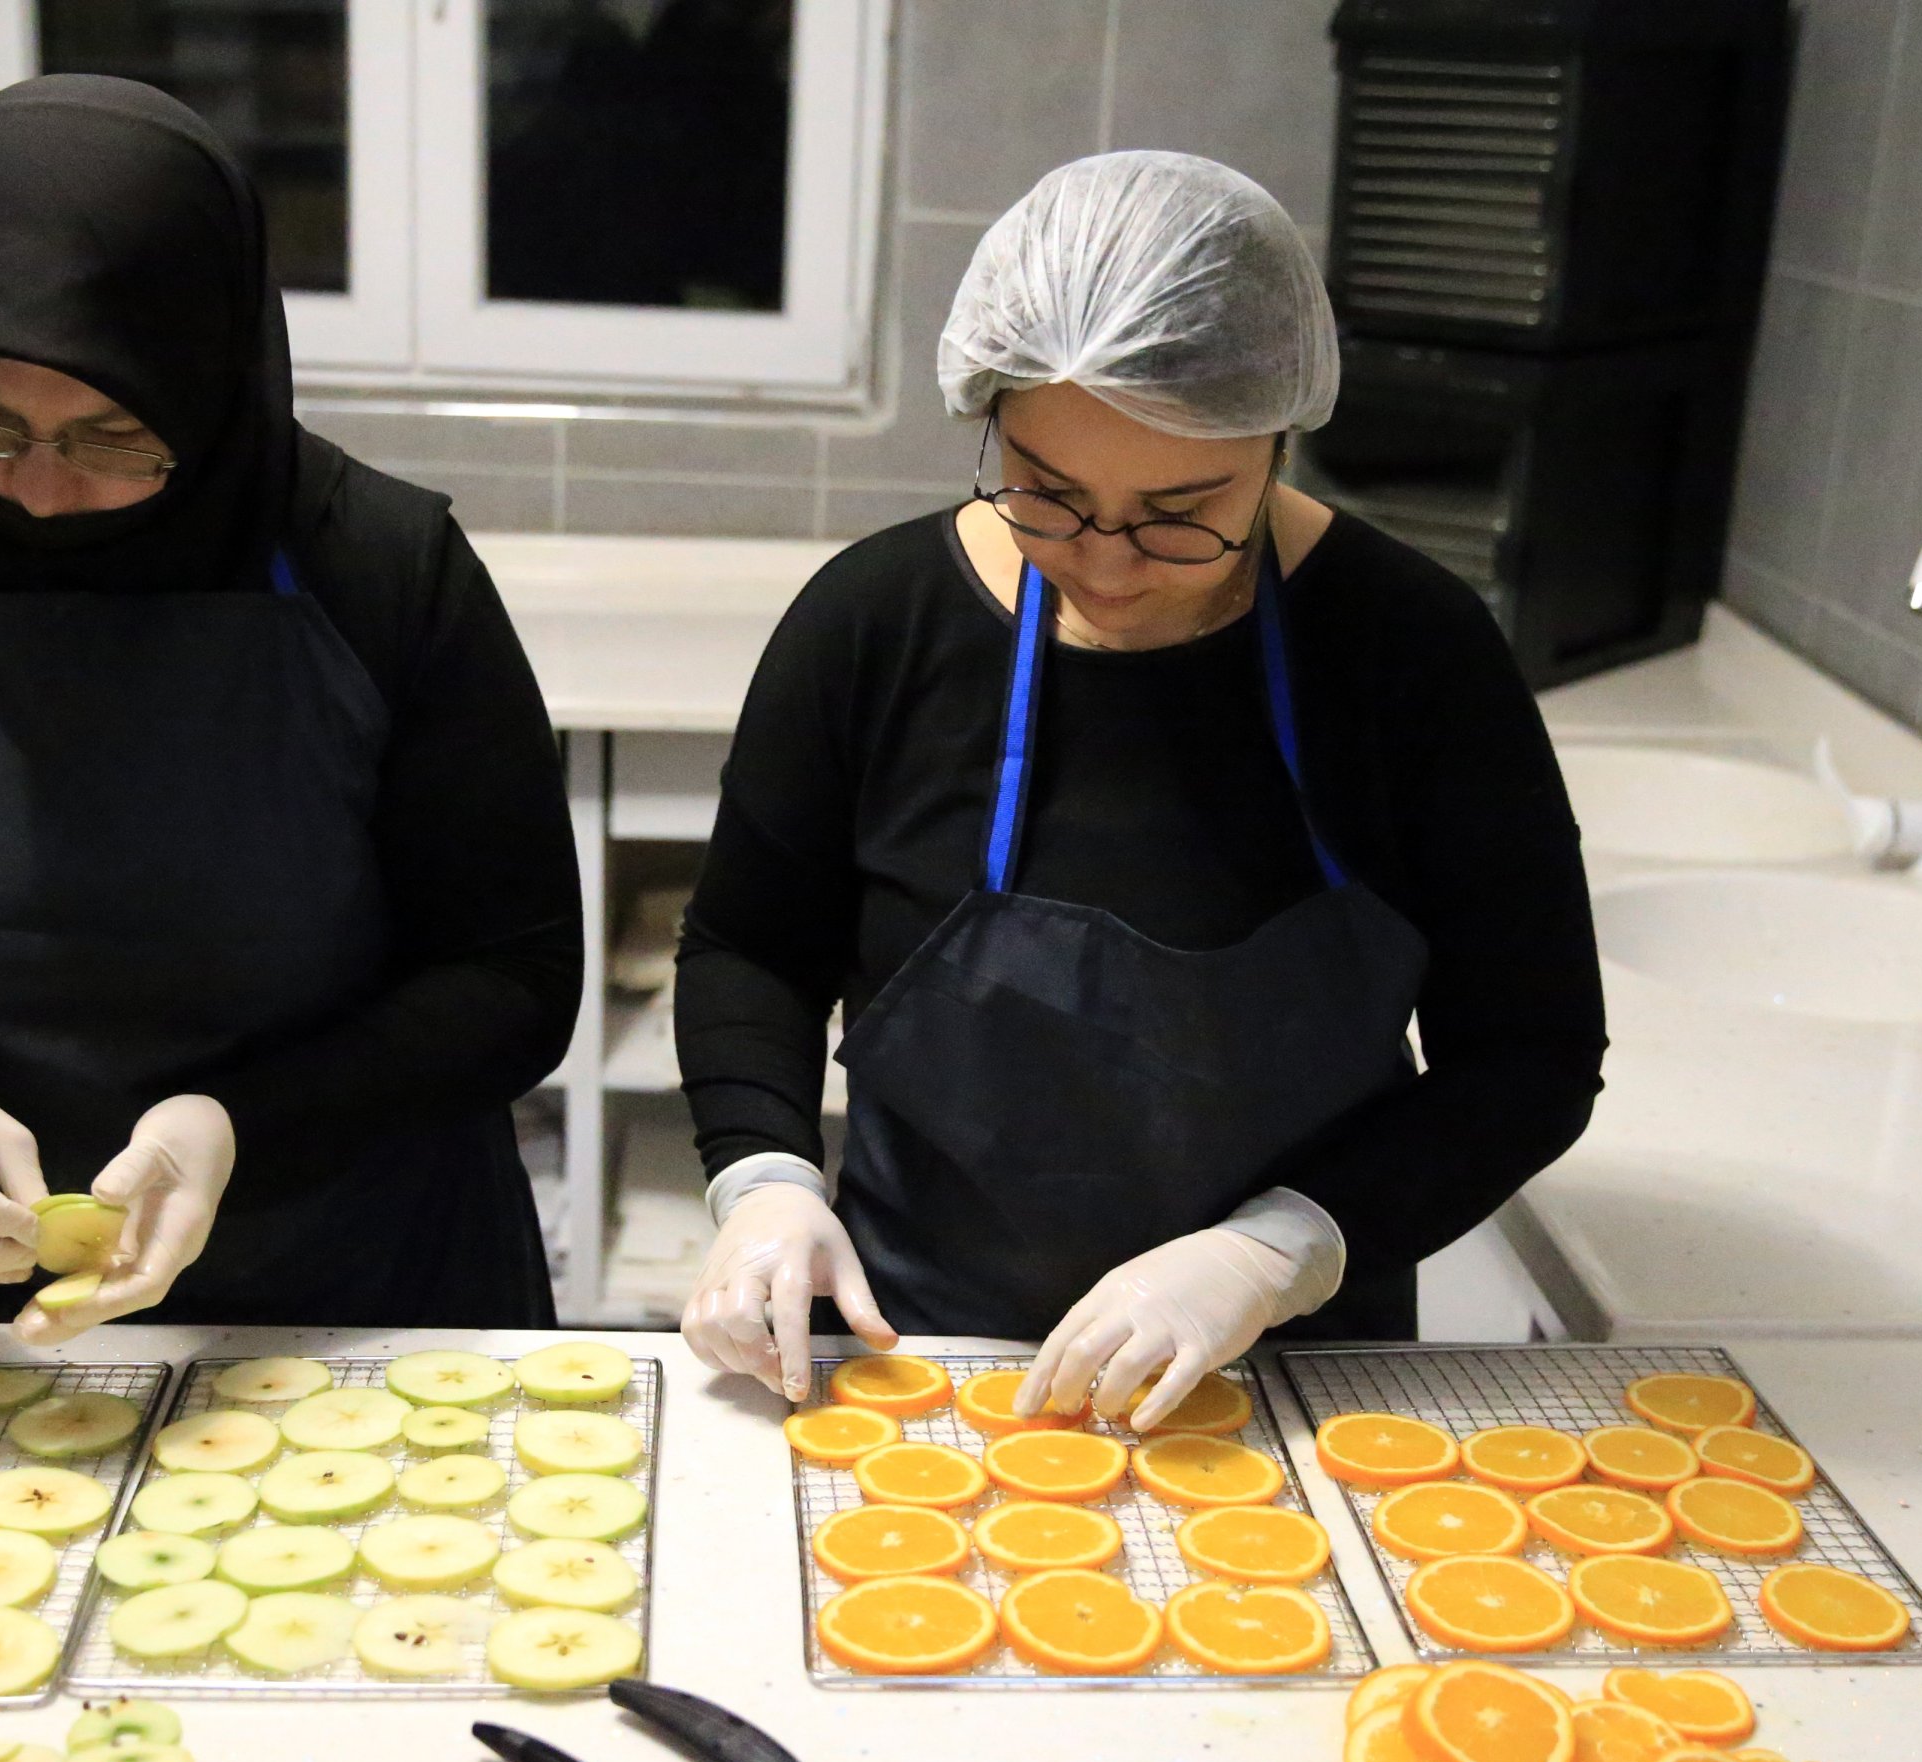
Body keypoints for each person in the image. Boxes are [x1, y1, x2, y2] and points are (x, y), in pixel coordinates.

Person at [673, 152, 1605, 1425]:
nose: (1105, 563)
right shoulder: (872, 624)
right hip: (926, 1356)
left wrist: (1273, 1253)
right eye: (1049, 495)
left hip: (1296, 1377)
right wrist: (766, 1178)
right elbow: (748, 944)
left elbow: (1531, 1055)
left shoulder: (1412, 655)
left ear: (1279, 436)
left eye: (1182, 510)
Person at [0, 77, 580, 1338]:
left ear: (210, 387)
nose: (37, 492)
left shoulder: (379, 573)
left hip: (350, 1290)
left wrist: (239, 1129)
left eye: (108, 437)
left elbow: (514, 976)